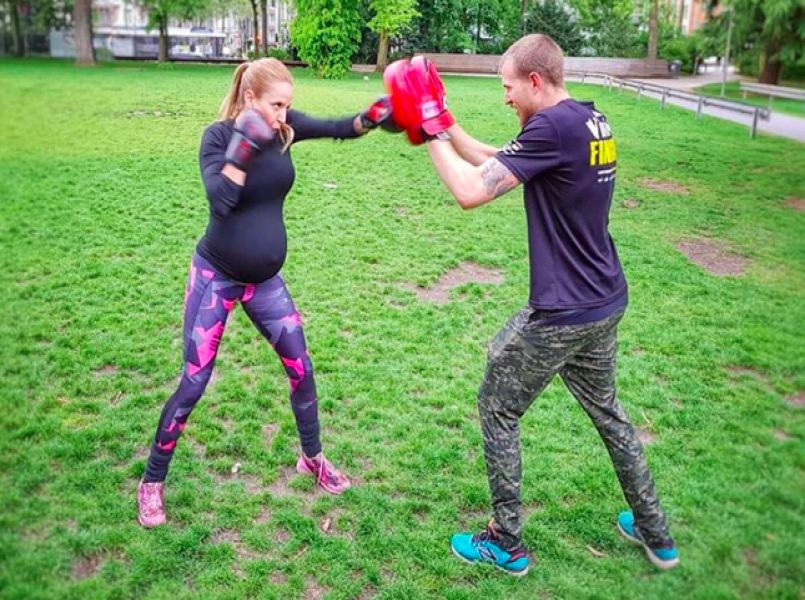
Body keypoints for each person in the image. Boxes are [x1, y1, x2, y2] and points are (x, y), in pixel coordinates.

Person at [386, 37, 679, 575]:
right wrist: (447, 123)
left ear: (536, 83)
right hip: (605, 299)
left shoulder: (549, 128)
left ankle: (506, 542)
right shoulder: (588, 121)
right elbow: (505, 160)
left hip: (563, 312)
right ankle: (656, 532)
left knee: (496, 403)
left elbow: (472, 191)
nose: (506, 98)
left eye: (509, 87)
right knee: (610, 415)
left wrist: (427, 129)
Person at [137, 58, 394, 528]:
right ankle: (152, 481)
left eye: (288, 105)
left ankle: (311, 458)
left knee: (302, 367)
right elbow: (221, 199)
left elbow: (340, 126)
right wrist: (243, 148)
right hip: (216, 277)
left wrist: (378, 114)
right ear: (251, 99)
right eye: (276, 105)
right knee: (193, 383)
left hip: (264, 283)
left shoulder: (283, 128)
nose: (284, 115)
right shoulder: (217, 137)